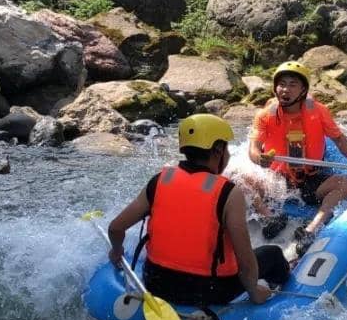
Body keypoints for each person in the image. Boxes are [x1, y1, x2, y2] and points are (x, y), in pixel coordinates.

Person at [107, 114, 290, 307]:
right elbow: (245, 261)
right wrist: (253, 291)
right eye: (226, 148)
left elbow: (115, 228)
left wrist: (117, 251)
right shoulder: (229, 192)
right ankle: (284, 283)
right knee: (273, 254)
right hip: (209, 290)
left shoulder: (160, 180)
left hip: (155, 282)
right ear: (218, 150)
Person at [248, 61, 347, 252]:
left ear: (303, 90)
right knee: (239, 179)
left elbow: (338, 139)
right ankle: (271, 217)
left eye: (292, 84)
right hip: (276, 180)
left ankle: (311, 229)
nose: (285, 89)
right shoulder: (265, 115)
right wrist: (259, 158)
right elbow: (253, 148)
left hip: (310, 178)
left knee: (346, 183)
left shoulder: (319, 111)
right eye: (281, 84)